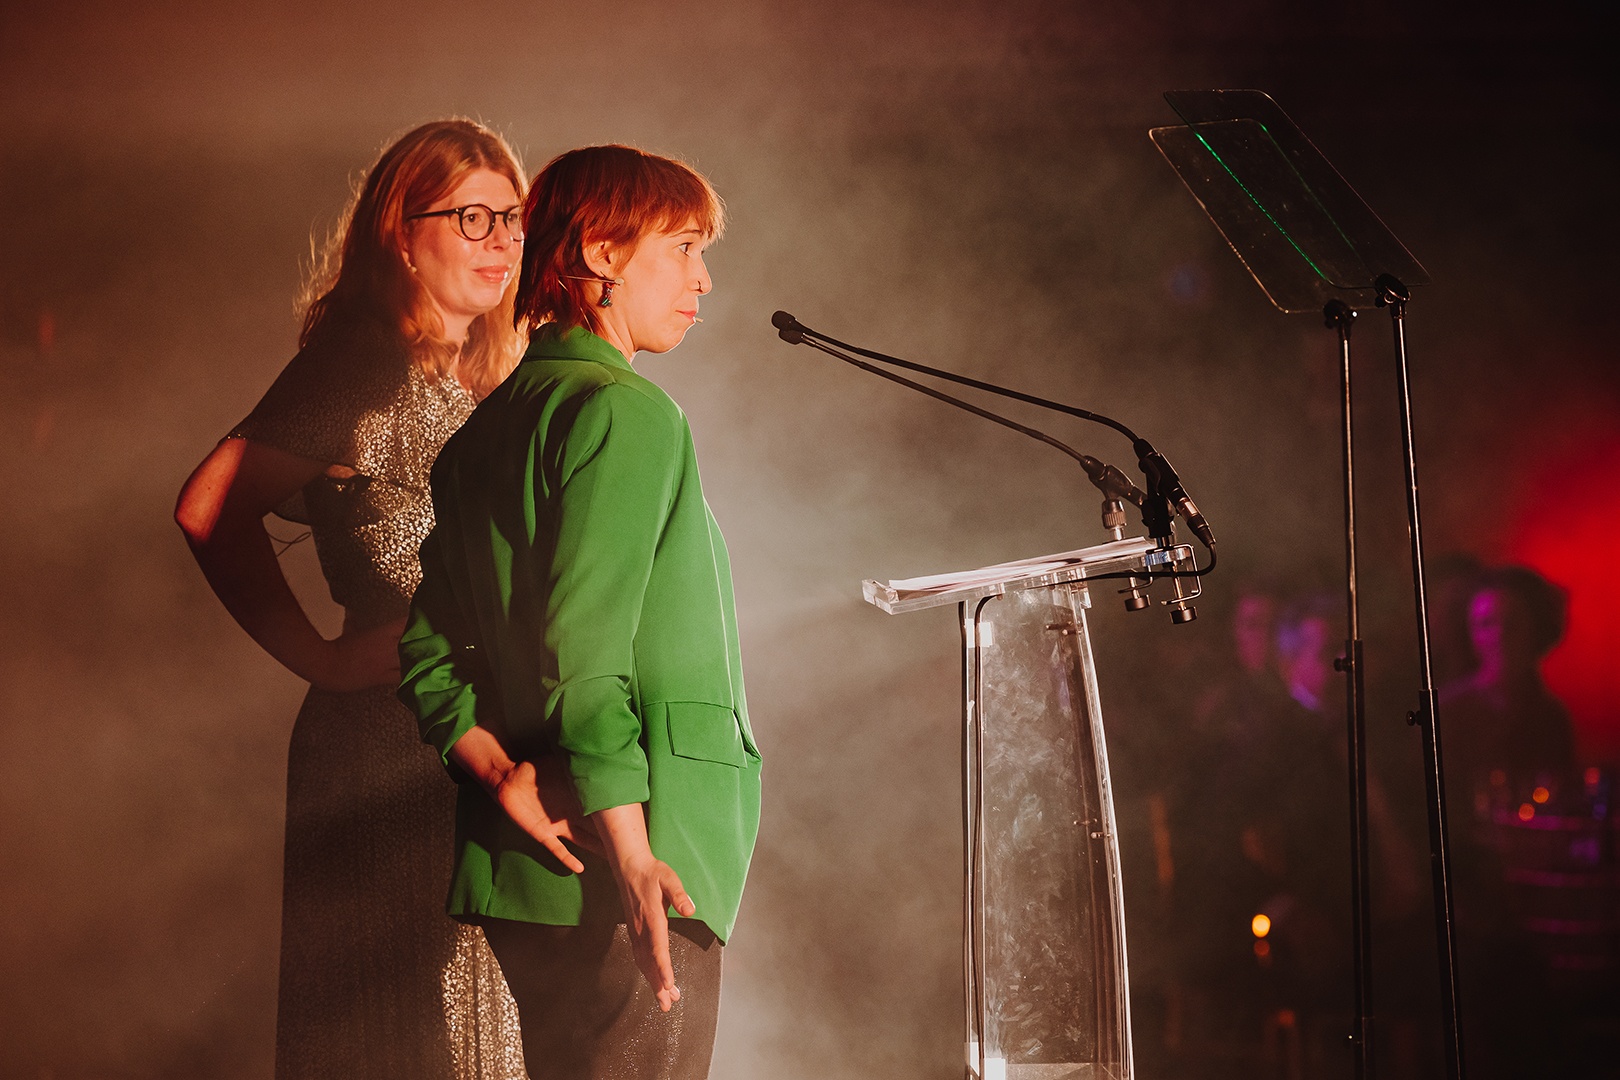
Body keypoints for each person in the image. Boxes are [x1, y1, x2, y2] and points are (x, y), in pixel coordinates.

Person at [398, 144, 762, 1080]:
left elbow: (428, 650)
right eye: (682, 248)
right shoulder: (626, 411)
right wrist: (635, 859)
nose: (703, 278)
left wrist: (500, 774)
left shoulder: (483, 432)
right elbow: (585, 649)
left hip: (531, 867)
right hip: (631, 857)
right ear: (601, 251)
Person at [175, 120, 530, 1079]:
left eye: (512, 218)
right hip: (388, 744)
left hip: (481, 742)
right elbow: (208, 507)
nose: (501, 239)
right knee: (405, 1041)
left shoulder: (489, 376)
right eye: (472, 217)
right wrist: (324, 660)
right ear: (401, 234)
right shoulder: (363, 364)